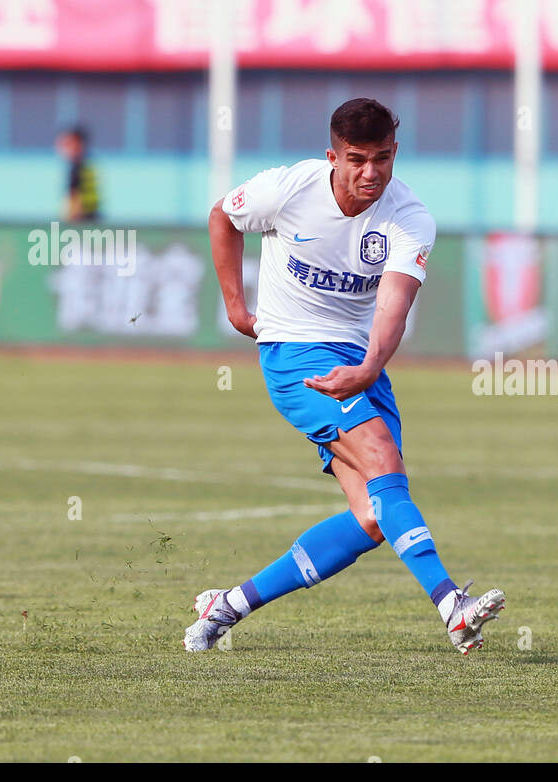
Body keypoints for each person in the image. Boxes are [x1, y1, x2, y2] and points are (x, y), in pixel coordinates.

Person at [186, 98, 505, 655]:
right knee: (381, 455)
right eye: (357, 159)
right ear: (332, 156)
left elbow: (393, 308)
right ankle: (452, 605)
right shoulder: (287, 189)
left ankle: (227, 606)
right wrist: (237, 307)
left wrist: (369, 369)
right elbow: (223, 216)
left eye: (382, 158)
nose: (370, 173)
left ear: (395, 154)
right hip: (293, 352)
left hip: (359, 362)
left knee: (372, 516)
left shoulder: (409, 218)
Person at [56, 126, 100, 221]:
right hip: (92, 217)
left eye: (67, 144)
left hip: (81, 220)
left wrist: (70, 217)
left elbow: (74, 197)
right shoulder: (89, 162)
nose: (62, 149)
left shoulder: (77, 167)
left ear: (78, 144)